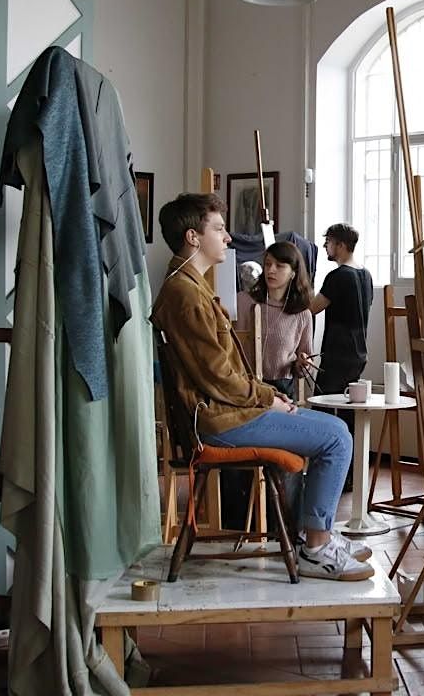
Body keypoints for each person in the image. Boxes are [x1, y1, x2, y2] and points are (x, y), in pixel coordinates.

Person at [150, 193, 373, 581]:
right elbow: (219, 378)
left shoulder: (190, 288)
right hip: (220, 422)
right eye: (219, 229)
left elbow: (223, 372)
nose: (228, 237)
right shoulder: (186, 295)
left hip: (227, 412)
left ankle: (313, 537)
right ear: (193, 237)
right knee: (337, 437)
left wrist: (270, 396)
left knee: (334, 430)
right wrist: (267, 398)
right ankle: (316, 548)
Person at [236, 241, 315, 401]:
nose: (271, 270)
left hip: (283, 388)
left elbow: (306, 364)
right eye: (268, 264)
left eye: (279, 266)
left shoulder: (302, 314)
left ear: (293, 273)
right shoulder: (243, 301)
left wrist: (303, 364)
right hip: (246, 387)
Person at [309, 223, 373, 401]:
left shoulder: (338, 276)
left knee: (323, 405)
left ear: (341, 245)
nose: (325, 246)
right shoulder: (366, 275)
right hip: (359, 355)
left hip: (337, 356)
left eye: (328, 241)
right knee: (348, 407)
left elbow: (312, 309)